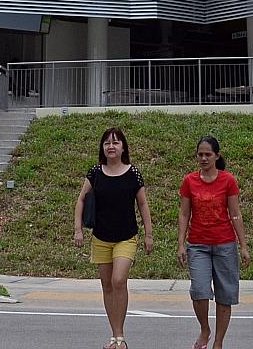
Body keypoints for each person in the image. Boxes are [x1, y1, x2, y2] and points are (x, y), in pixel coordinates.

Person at [73, 127, 153, 349]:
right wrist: (78, 229)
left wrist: (148, 234)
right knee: (107, 286)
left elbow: (143, 204)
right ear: (102, 147)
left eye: (116, 142)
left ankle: (120, 336)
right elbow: (81, 200)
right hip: (101, 237)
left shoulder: (133, 173)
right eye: (107, 143)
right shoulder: (95, 173)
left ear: (123, 147)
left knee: (118, 280)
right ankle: (116, 336)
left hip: (126, 237)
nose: (111, 146)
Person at [178, 136, 251, 349]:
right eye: (200, 154)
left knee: (225, 295)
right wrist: (181, 243)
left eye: (208, 154)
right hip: (197, 244)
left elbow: (235, 213)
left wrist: (243, 246)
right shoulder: (189, 181)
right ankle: (205, 329)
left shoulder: (228, 180)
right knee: (199, 291)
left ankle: (218, 342)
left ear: (217, 156)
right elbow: (184, 214)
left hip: (224, 244)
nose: (203, 158)